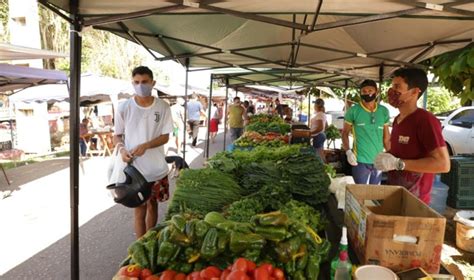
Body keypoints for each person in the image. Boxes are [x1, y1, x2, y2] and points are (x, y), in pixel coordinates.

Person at [113, 66, 173, 238]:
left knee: (153, 204)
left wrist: (146, 145)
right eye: (136, 82)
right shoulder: (124, 107)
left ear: (153, 82)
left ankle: (150, 239)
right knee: (139, 209)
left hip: (156, 168)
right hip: (135, 170)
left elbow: (165, 137)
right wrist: (122, 149)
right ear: (132, 83)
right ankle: (141, 245)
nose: (140, 85)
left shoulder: (163, 107)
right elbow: (116, 136)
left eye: (144, 82)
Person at [374, 67, 450, 204]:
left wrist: (399, 164)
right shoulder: (397, 120)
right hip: (396, 194)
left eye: (397, 87)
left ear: (414, 92)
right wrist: (388, 156)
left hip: (415, 200)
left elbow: (443, 164)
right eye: (392, 86)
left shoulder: (425, 121)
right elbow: (402, 153)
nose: (391, 91)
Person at [342, 80, 391, 184]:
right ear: (360, 93)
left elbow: (386, 138)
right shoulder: (353, 111)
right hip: (360, 161)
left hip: (378, 161)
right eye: (364, 91)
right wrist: (348, 151)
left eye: (370, 90)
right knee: (360, 194)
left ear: (376, 92)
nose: (367, 93)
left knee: (374, 195)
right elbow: (345, 133)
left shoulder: (383, 111)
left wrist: (390, 155)